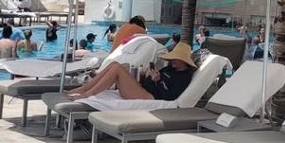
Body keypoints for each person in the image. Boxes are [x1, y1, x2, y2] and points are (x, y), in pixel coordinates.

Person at [66, 42, 198, 101]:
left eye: (175, 59)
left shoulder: (184, 77)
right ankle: (82, 89)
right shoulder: (169, 68)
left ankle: (87, 94)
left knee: (117, 68)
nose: (172, 61)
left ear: (183, 61)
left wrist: (158, 82)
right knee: (114, 64)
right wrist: (150, 77)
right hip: (143, 89)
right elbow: (154, 81)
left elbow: (170, 97)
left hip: (149, 97)